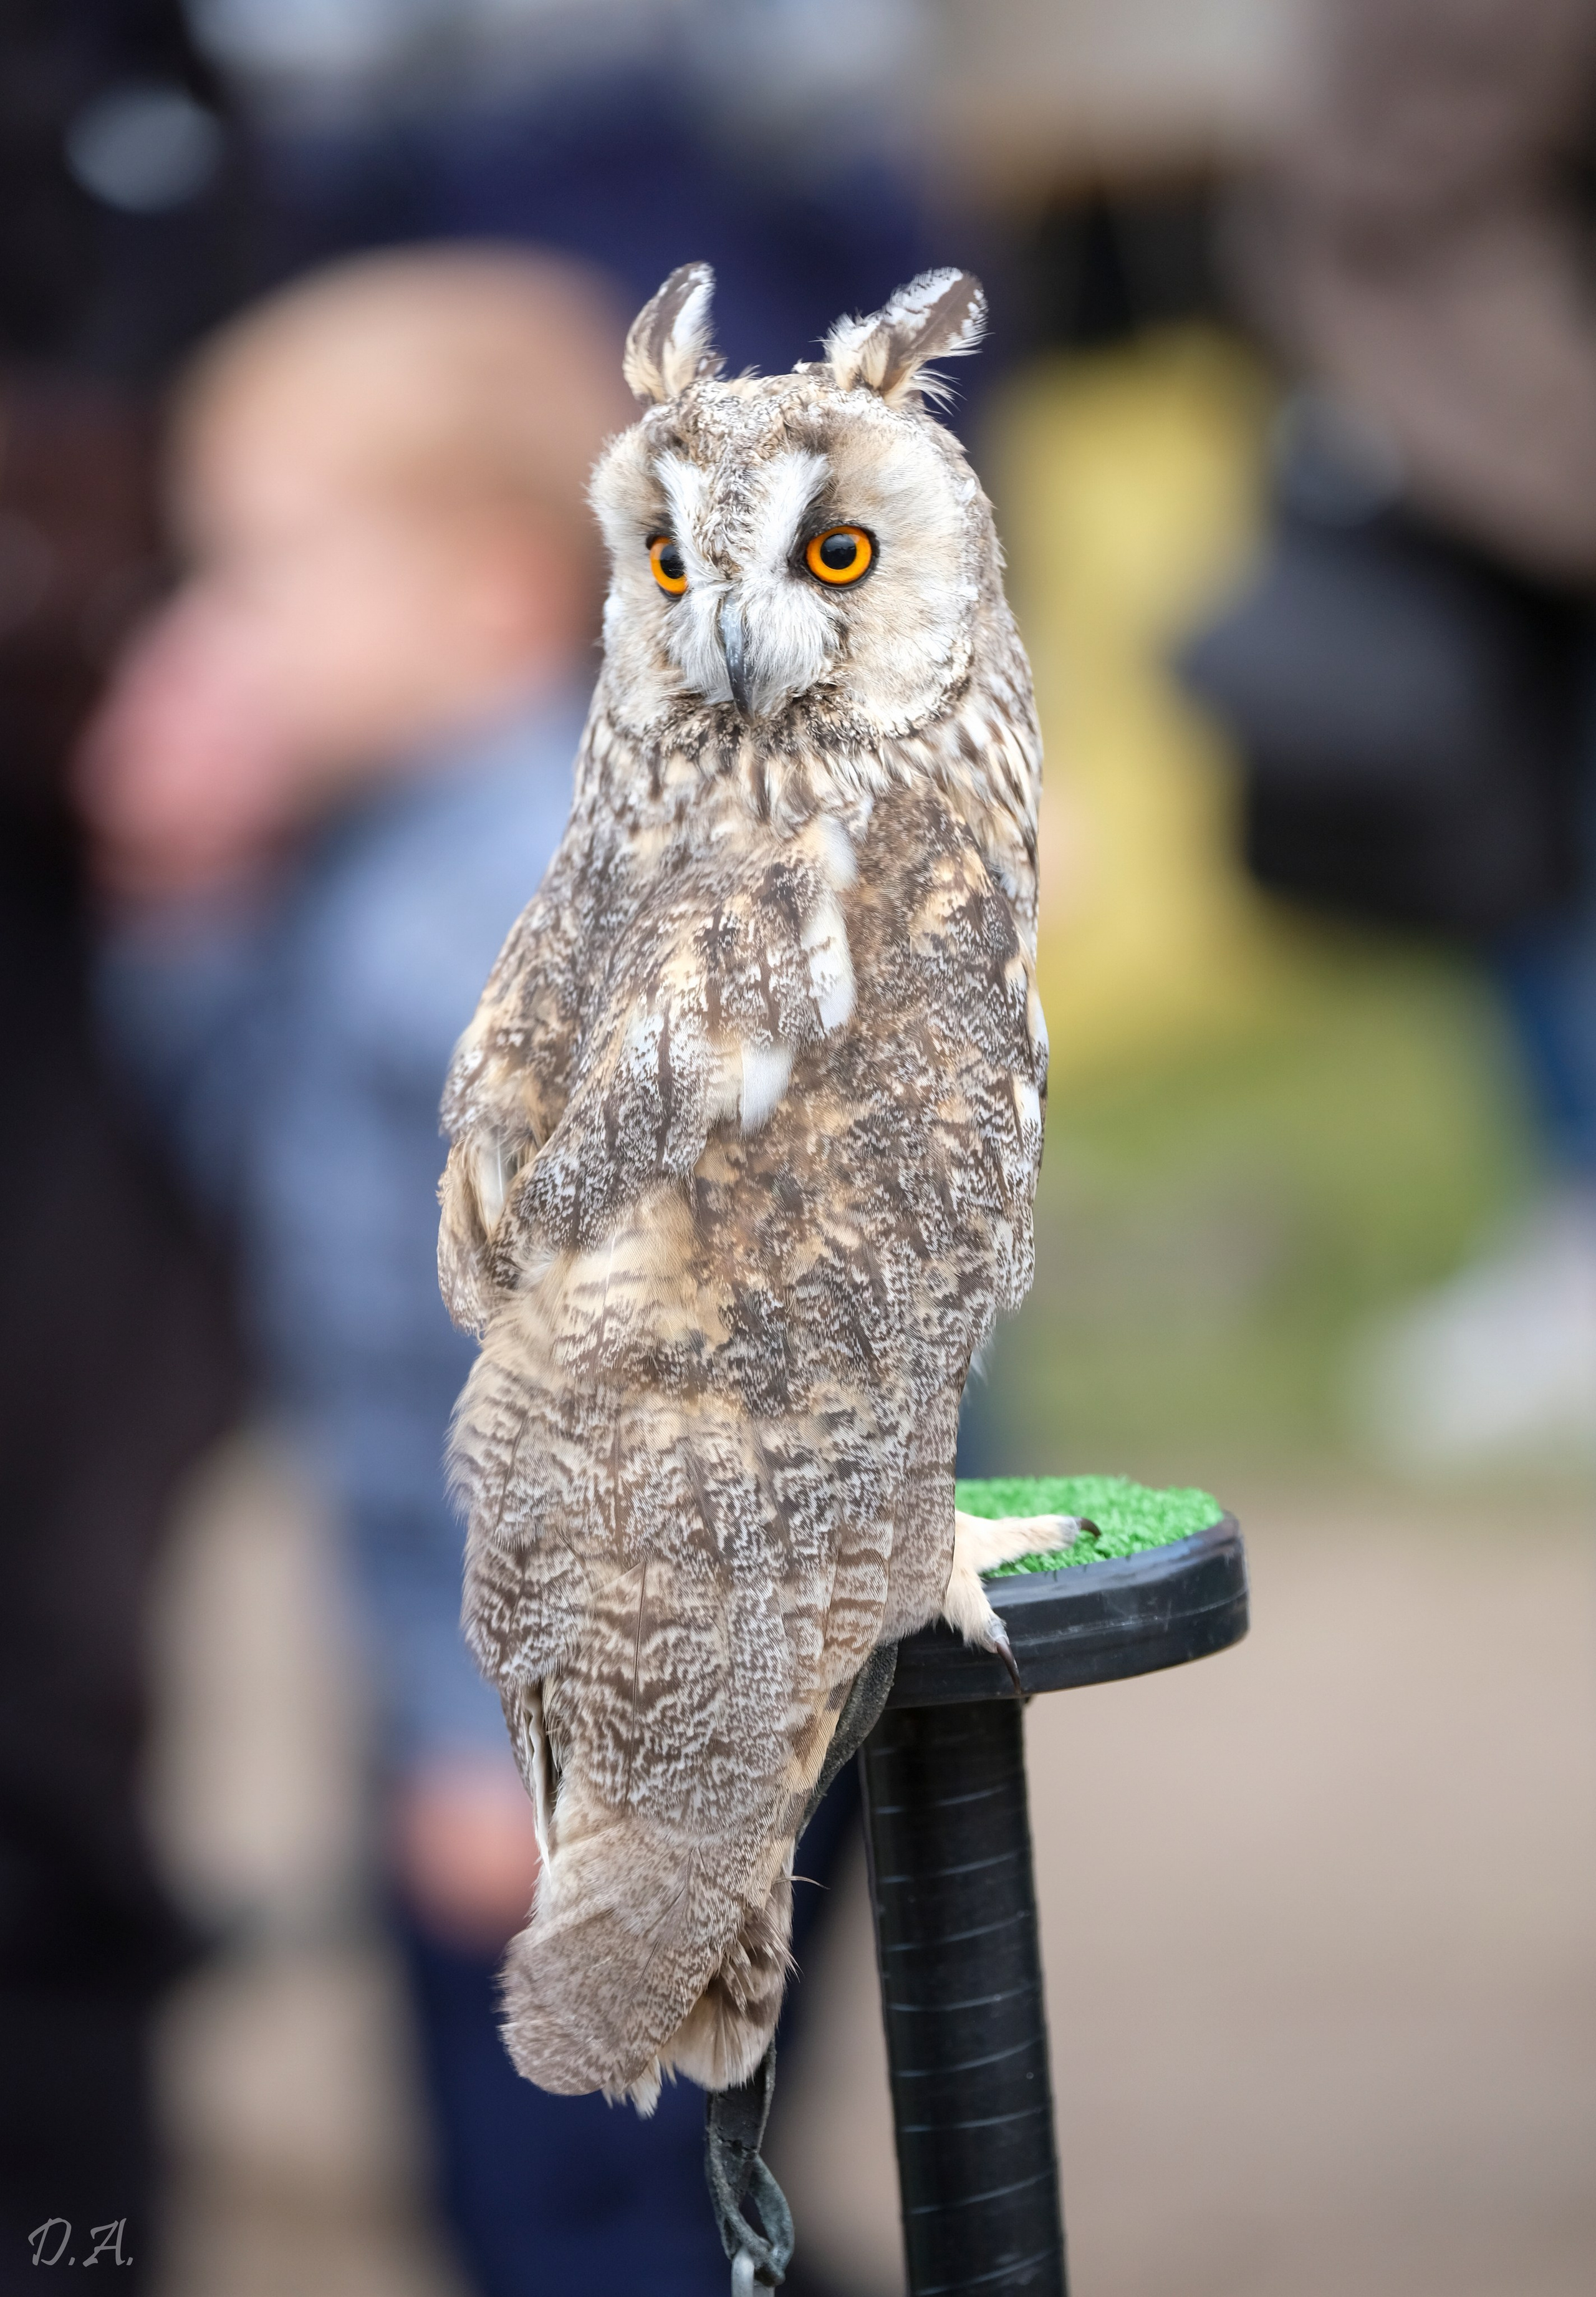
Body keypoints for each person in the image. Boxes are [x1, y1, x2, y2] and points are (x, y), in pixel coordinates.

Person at [77, 246, 841, 2295]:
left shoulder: (497, 919)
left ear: (488, 595)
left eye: (256, 572)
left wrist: (484, 1732)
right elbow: (283, 1156)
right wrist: (188, 895)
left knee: (576, 2216)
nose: (205, 631)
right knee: (659, 2175)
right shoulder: (431, 851)